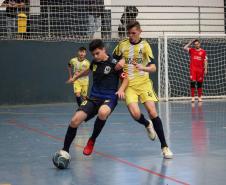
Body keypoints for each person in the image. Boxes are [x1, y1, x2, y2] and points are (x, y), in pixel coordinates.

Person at [113, 21, 173, 159]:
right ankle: (147, 124)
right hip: (129, 85)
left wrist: (143, 67)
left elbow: (153, 68)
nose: (131, 36)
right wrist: (119, 63)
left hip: (144, 83)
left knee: (152, 111)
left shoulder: (145, 46)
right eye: (129, 33)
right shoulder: (122, 45)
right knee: (135, 114)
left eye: (133, 33)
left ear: (140, 32)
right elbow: (112, 61)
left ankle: (164, 146)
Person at [58, 39, 128, 156]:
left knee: (102, 112)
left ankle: (92, 140)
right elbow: (87, 71)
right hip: (94, 97)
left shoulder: (114, 63)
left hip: (109, 97)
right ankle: (65, 150)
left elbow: (126, 78)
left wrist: (121, 89)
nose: (95, 56)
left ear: (103, 50)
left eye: (97, 53)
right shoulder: (94, 62)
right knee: (75, 120)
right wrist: (75, 77)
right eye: (93, 54)